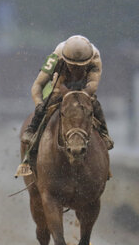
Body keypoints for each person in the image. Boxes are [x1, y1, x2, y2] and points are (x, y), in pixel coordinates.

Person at [16, 35, 113, 175]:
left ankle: (104, 134)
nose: (76, 69)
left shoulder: (95, 57)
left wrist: (82, 96)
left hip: (84, 89)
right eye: (72, 66)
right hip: (60, 85)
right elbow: (37, 85)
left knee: (95, 105)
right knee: (47, 106)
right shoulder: (56, 57)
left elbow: (93, 84)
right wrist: (39, 105)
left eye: (80, 66)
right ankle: (32, 135)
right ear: (65, 59)